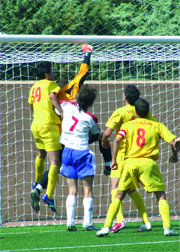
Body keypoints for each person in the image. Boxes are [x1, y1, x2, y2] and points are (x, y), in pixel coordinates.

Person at [30, 43, 112, 213]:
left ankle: (38, 186)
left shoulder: (47, 91)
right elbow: (83, 72)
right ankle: (108, 163)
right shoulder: (67, 90)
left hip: (60, 132)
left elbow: (40, 102)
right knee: (101, 135)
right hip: (75, 132)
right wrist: (87, 54)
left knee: (54, 161)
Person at [97, 98, 179, 237]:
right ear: (148, 112)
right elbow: (174, 142)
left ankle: (106, 227)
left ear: (136, 112)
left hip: (130, 163)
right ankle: (167, 228)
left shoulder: (128, 125)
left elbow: (116, 139)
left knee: (119, 194)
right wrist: (174, 155)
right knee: (160, 195)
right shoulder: (157, 125)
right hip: (148, 163)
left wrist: (114, 160)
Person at [102, 84, 156, 233]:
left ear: (124, 97)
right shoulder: (140, 111)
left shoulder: (120, 112)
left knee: (115, 187)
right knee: (131, 189)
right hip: (137, 154)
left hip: (121, 155)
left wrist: (104, 141)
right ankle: (146, 222)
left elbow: (107, 132)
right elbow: (153, 125)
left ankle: (119, 220)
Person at [59, 85, 101, 231]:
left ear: (77, 98)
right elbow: (97, 134)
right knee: (87, 188)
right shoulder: (89, 119)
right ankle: (87, 222)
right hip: (82, 152)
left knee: (72, 189)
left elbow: (58, 101)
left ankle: (70, 222)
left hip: (67, 151)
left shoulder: (66, 107)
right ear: (90, 103)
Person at [28, 61, 63, 212]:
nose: (54, 74)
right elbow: (52, 96)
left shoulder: (34, 86)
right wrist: (62, 112)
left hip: (36, 125)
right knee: (56, 162)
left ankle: (36, 184)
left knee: (41, 154)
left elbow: (30, 105)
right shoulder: (50, 84)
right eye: (52, 72)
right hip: (49, 125)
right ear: (47, 74)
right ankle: (48, 194)